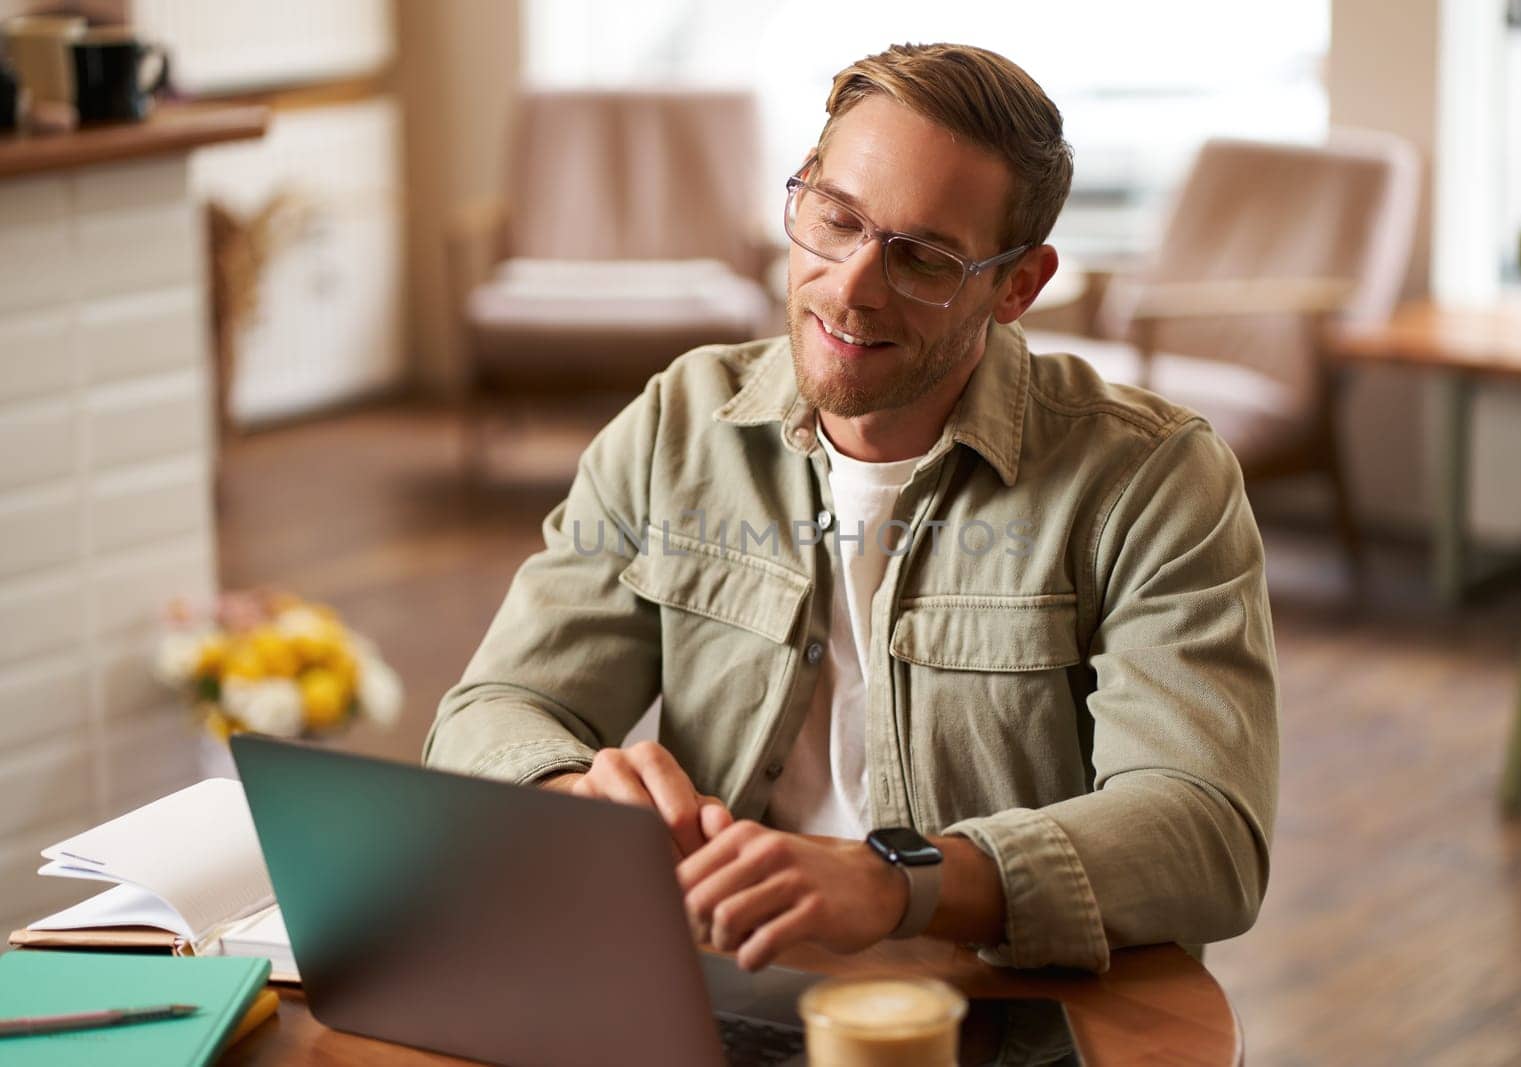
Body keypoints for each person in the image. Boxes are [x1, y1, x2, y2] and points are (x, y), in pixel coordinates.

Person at [425, 42, 1278, 974]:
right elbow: (494, 708)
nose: (851, 286)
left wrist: (896, 880)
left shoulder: (1151, 479)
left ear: (1018, 285)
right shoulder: (680, 420)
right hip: (725, 982)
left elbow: (1207, 830)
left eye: (922, 258)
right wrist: (567, 785)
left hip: (1003, 1005)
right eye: (836, 219)